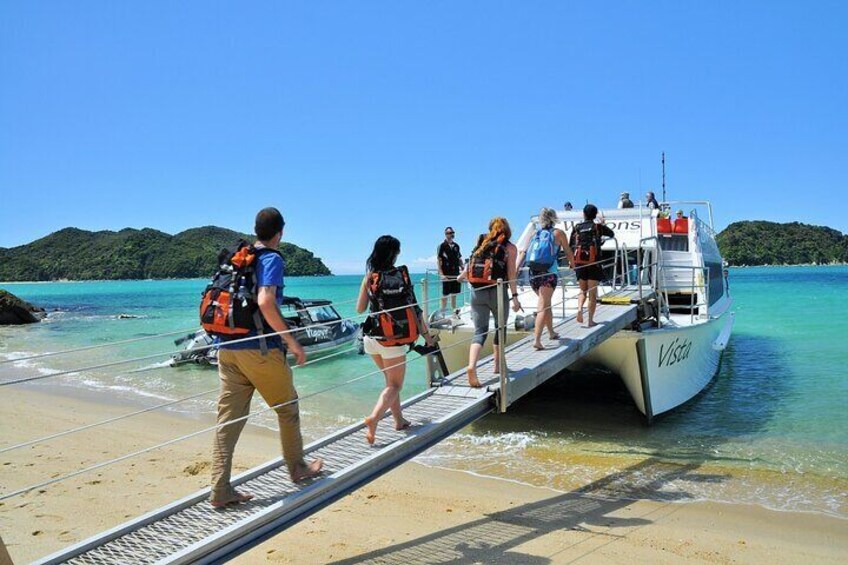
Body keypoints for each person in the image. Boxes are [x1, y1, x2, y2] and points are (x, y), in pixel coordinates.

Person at [210, 207, 323, 508]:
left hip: (226, 349)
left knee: (228, 422)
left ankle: (220, 489)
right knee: (287, 409)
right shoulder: (271, 259)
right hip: (259, 351)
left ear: (256, 230)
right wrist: (292, 342)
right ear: (280, 233)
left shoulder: (239, 259)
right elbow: (265, 300)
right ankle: (297, 467)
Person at [357, 235, 433, 445]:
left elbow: (359, 309)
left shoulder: (370, 277)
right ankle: (374, 419)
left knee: (390, 383)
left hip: (372, 338)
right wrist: (427, 337)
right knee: (395, 385)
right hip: (394, 341)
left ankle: (399, 420)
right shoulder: (402, 276)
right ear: (395, 254)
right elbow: (416, 311)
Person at [457, 217, 521, 387]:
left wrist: (461, 276)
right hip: (497, 292)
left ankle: (471, 366)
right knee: (501, 328)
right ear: (507, 230)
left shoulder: (481, 242)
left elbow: (470, 264)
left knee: (480, 332)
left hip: (476, 293)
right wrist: (515, 297)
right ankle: (499, 365)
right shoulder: (509, 247)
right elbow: (512, 274)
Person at [518, 207, 574, 350]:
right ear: (554, 218)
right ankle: (536, 340)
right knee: (543, 306)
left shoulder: (534, 234)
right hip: (548, 274)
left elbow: (524, 252)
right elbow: (568, 252)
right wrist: (573, 265)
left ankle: (551, 332)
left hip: (533, 274)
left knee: (545, 303)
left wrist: (516, 269)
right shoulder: (558, 233)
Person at [570, 204, 615, 328]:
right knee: (592, 293)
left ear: (583, 214)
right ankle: (590, 320)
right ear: (595, 215)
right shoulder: (597, 227)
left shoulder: (577, 227)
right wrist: (601, 224)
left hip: (580, 262)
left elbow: (571, 244)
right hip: (594, 262)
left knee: (582, 290)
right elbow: (611, 234)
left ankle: (579, 309)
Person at [436, 227, 463, 311]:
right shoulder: (442, 246)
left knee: (454, 294)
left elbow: (459, 258)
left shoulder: (456, 246)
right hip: (446, 273)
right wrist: (441, 274)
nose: (449, 234)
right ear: (445, 234)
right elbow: (439, 260)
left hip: (455, 273)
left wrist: (463, 269)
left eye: (451, 232)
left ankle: (454, 312)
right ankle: (443, 312)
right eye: (447, 233)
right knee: (445, 294)